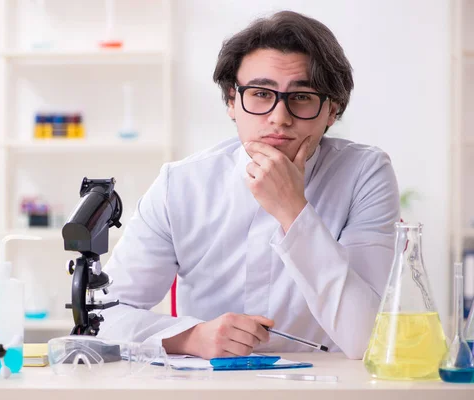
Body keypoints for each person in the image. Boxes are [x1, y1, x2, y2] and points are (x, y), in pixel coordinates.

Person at [96, 10, 400, 360]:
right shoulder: (180, 185)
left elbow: (371, 338)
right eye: (260, 94)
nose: (279, 118)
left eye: (301, 97)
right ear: (231, 101)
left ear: (332, 111)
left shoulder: (364, 173)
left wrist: (292, 210)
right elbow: (102, 318)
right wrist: (190, 337)